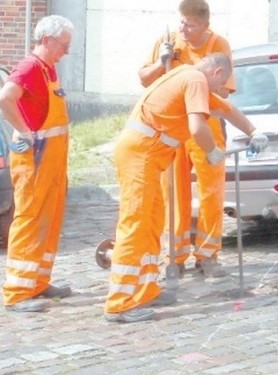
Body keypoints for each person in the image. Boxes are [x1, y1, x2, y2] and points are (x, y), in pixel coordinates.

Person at [104, 53, 267, 323]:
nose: (220, 88)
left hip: (147, 155)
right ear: (215, 72)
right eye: (222, 82)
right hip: (141, 154)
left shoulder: (187, 76)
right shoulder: (194, 80)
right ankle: (120, 303)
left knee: (151, 223)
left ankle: (144, 292)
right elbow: (197, 126)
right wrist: (212, 151)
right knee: (136, 224)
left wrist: (253, 131)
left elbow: (225, 109)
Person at [139, 0, 236, 278]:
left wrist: (193, 86)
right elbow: (145, 79)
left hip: (206, 126)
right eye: (181, 22)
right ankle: (176, 255)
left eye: (190, 25)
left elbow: (225, 93)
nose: (184, 29)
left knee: (211, 192)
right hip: (173, 126)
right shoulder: (167, 42)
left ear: (205, 26)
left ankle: (208, 255)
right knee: (173, 191)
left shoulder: (219, 45)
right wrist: (161, 62)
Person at [0, 15, 75, 313]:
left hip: (52, 159)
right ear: (46, 41)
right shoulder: (30, 67)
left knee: (49, 219)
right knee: (29, 219)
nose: (65, 52)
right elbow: (4, 98)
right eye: (63, 45)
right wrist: (25, 133)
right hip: (36, 159)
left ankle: (38, 282)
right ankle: (17, 292)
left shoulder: (48, 68)